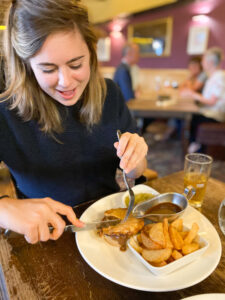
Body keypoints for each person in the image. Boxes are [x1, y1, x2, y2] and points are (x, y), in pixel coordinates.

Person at [0, 0, 148, 244]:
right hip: (48, 236)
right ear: (26, 66)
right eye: (48, 69)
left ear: (91, 51)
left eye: (76, 64)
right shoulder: (6, 111)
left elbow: (136, 170)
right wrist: (5, 209)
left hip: (108, 227)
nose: (66, 82)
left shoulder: (110, 94)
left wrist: (136, 160)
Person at [180, 47, 225, 153]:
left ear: (211, 62)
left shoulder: (219, 77)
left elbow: (212, 101)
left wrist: (192, 94)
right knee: (191, 117)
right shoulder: (214, 76)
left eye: (203, 60)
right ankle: (193, 145)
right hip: (210, 112)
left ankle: (195, 147)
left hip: (216, 115)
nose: (202, 63)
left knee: (191, 118)